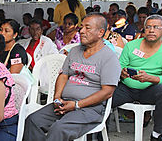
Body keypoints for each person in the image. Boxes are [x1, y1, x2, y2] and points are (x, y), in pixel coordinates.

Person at [23, 13, 121, 141]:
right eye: (81, 27)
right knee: (33, 120)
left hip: (90, 109)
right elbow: (63, 75)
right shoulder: (74, 51)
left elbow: (107, 92)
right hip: (64, 103)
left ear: (100, 32)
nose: (82, 31)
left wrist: (77, 105)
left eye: (87, 28)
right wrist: (57, 98)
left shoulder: (109, 57)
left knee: (59, 129)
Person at [112, 14, 162, 141]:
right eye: (148, 27)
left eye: (156, 27)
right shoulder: (131, 46)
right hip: (127, 88)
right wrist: (122, 72)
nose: (151, 30)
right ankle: (97, 129)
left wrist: (149, 78)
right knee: (104, 92)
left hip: (150, 90)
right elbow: (119, 67)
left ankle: (157, 134)